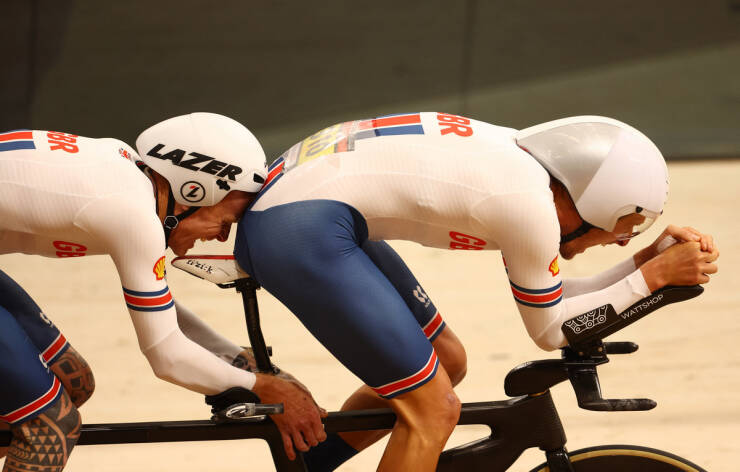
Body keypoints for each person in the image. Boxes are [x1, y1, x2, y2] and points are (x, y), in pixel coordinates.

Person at [233, 113, 719, 471]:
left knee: (447, 360)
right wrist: (653, 279)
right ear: (596, 201)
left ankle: (310, 465)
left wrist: (643, 265)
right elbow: (553, 330)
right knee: (432, 410)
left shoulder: (529, 177)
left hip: (308, 212)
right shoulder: (528, 208)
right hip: (300, 229)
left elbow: (551, 300)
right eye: (625, 226)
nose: (622, 240)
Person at [0, 113, 326, 472]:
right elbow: (166, 355)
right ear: (193, 191)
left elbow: (158, 310)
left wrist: (241, 363)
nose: (222, 236)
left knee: (73, 381)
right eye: (225, 221)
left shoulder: (129, 184)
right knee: (50, 430)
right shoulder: (131, 213)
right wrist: (265, 388)